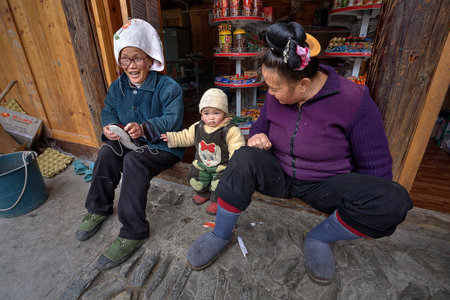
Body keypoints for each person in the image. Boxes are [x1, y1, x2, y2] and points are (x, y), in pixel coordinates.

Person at [186, 22, 413, 284]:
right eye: (267, 87)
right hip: (279, 174)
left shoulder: (354, 99)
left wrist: (360, 201)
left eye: (274, 88)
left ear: (303, 84)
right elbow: (262, 124)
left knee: (392, 200)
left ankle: (320, 237)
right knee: (243, 157)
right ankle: (220, 234)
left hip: (326, 185)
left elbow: (376, 168)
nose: (269, 94)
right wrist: (258, 135)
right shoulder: (278, 90)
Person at [75, 19, 185, 270]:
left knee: (134, 160)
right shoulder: (118, 87)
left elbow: (173, 120)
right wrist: (109, 126)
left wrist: (145, 128)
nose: (131, 65)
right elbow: (109, 111)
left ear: (149, 59)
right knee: (107, 152)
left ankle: (133, 231)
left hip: (164, 145)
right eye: (125, 59)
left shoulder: (168, 87)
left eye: (137, 58)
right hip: (128, 142)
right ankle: (98, 208)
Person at [161, 88, 246, 215]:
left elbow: (237, 146)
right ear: (201, 115)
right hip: (202, 165)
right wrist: (172, 137)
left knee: (221, 184)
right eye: (206, 113)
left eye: (216, 113)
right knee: (193, 177)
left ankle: (217, 200)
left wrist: (236, 162)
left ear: (225, 114)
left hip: (222, 167)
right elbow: (185, 136)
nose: (211, 117)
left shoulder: (230, 130)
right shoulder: (197, 127)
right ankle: (204, 193)